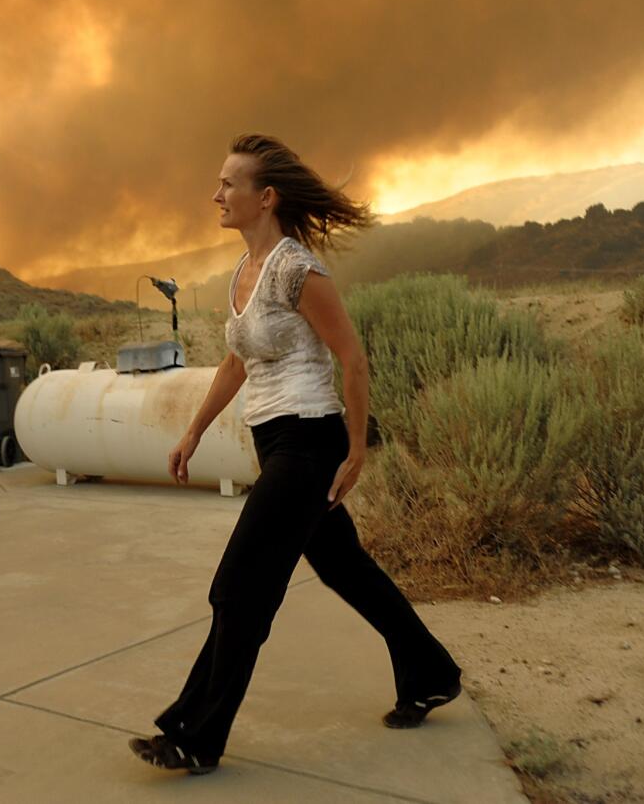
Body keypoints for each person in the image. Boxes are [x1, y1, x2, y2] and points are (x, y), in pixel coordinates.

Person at [128, 134, 463, 776]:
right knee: (346, 569)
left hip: (311, 442)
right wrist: (194, 431)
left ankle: (195, 735)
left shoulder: (296, 269)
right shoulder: (244, 272)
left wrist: (358, 448)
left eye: (230, 184)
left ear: (266, 197)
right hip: (275, 441)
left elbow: (353, 359)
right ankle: (432, 673)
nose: (217, 195)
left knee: (241, 587)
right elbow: (236, 361)